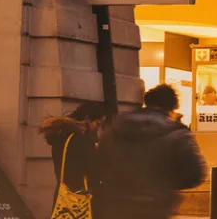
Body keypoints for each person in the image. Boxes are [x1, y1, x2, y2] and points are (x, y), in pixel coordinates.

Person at [91, 84, 207, 219]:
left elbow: (96, 166)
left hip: (110, 208)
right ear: (172, 108)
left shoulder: (114, 129)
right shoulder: (177, 134)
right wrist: (165, 184)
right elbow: (195, 174)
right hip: (152, 209)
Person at [42, 103, 110, 219]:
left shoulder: (61, 136)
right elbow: (91, 169)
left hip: (64, 196)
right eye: (98, 124)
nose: (98, 128)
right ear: (87, 119)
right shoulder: (79, 140)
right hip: (80, 199)